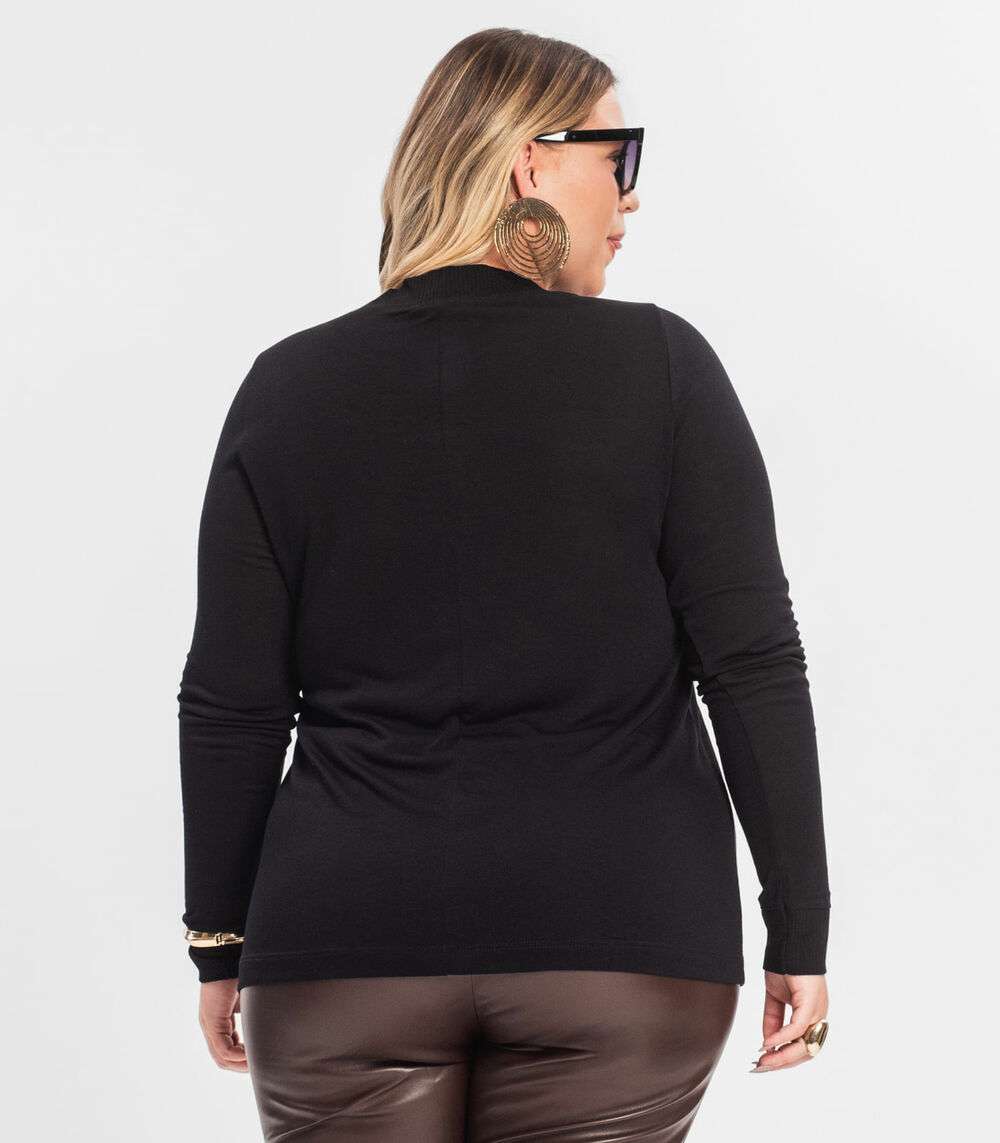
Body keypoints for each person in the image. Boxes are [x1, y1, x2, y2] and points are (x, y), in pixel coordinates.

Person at [177, 26, 831, 1142]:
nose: (630, 196)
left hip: (343, 946)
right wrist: (800, 931)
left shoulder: (289, 388)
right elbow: (751, 665)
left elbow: (233, 699)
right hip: (621, 942)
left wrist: (220, 939)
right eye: (616, 158)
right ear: (532, 161)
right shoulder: (662, 368)